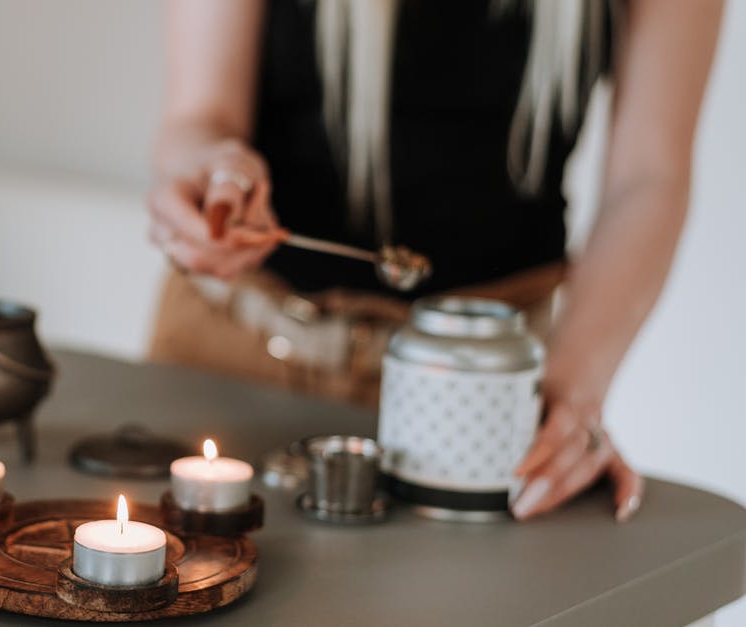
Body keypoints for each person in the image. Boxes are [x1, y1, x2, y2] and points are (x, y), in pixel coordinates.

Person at [146, 0, 723, 521]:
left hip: (482, 397)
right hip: (228, 350)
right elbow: (201, 116)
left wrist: (573, 389)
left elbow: (650, 176)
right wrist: (209, 174)